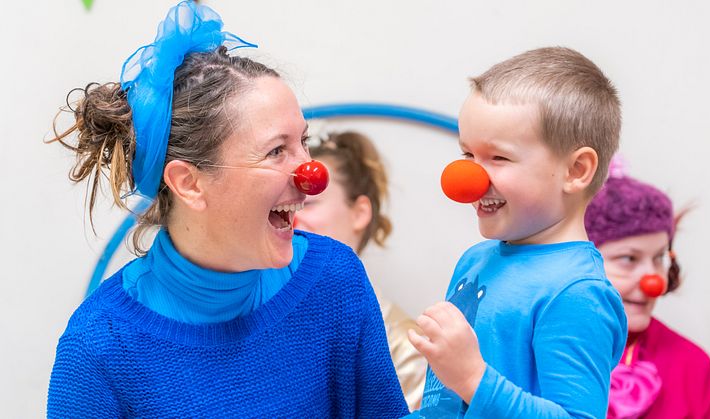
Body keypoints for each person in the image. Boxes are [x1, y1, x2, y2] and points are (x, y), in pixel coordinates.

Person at [46, 2, 408, 417]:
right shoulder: (99, 346)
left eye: (303, 143)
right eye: (276, 151)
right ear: (189, 183)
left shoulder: (335, 278)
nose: (311, 173)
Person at [406, 47, 627, 418]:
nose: (469, 180)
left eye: (498, 158)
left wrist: (473, 377)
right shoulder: (476, 259)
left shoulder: (576, 292)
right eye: (467, 156)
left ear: (576, 170)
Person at [293, 130, 428, 410]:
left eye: (308, 204)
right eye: (287, 204)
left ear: (360, 213)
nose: (292, 218)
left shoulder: (403, 345)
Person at [585, 169, 710, 418]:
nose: (653, 281)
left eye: (659, 258)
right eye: (629, 258)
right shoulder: (535, 348)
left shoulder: (692, 365)